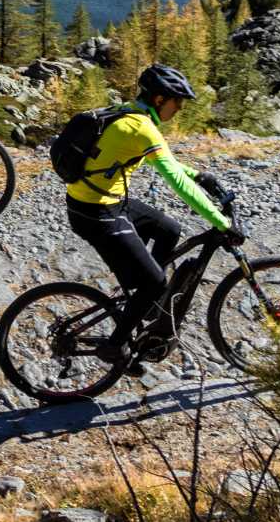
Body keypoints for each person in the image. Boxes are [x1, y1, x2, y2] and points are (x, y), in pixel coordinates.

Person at [63, 64, 242, 368]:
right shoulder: (142, 127)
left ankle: (145, 304)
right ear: (160, 99)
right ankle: (116, 345)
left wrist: (200, 175)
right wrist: (221, 222)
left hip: (102, 200)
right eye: (178, 101)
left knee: (169, 229)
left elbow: (161, 162)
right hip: (96, 212)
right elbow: (175, 180)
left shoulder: (130, 113)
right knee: (156, 283)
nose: (180, 108)